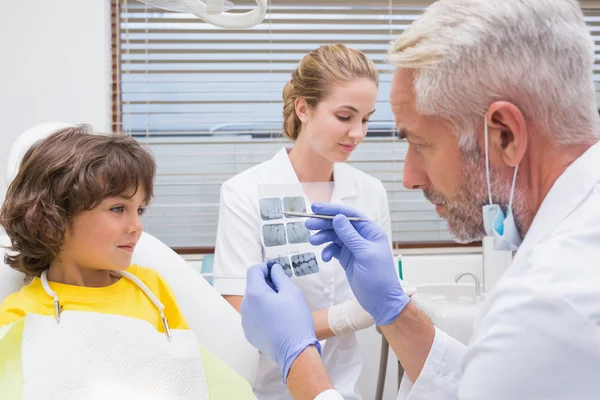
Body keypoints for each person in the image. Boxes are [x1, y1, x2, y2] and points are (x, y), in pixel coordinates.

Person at [239, 0, 600, 399]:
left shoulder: (548, 305)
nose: (408, 178)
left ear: (505, 135)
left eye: (419, 143)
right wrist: (394, 311)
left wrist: (296, 353)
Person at [0, 125, 254, 398]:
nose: (137, 226)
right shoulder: (22, 314)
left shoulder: (151, 290)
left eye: (140, 209)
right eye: (118, 209)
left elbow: (188, 374)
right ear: (51, 221)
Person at [212, 44, 395, 399]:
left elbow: (383, 292)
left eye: (366, 118)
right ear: (303, 108)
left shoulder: (370, 193)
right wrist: (348, 315)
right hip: (266, 391)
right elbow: (241, 318)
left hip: (343, 390)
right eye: (345, 116)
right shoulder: (244, 192)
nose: (358, 133)